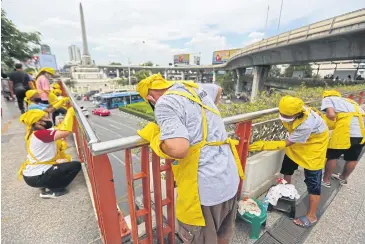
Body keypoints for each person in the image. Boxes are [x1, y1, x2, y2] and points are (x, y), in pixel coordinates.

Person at [136, 74, 244, 244]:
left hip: (205, 191)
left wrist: (155, 138)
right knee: (223, 235)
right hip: (229, 178)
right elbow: (218, 90)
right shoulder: (193, 87)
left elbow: (179, 149)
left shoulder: (165, 103)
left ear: (150, 97)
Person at [249, 96, 329, 228]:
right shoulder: (295, 110)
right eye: (281, 113)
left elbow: (287, 142)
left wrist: (264, 145)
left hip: (315, 144)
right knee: (288, 164)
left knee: (313, 180)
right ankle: (286, 189)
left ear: (297, 113)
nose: (282, 116)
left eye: (286, 115)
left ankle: (312, 215)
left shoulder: (306, 124)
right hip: (299, 142)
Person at [18, 108, 81, 198]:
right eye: (45, 118)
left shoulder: (35, 133)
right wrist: (70, 113)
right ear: (38, 122)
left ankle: (47, 183)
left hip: (33, 174)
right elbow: (66, 132)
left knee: (66, 163)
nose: (49, 119)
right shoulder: (39, 134)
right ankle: (53, 190)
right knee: (75, 166)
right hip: (35, 176)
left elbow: (58, 129)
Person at [321, 90, 365, 187]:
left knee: (333, 156)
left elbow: (331, 115)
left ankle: (326, 180)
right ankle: (343, 179)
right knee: (352, 158)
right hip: (361, 132)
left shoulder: (328, 99)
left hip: (345, 131)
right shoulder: (350, 101)